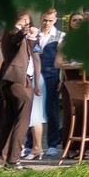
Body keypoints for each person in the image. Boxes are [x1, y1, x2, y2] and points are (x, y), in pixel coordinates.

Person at [0, 11, 38, 167]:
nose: (28, 24)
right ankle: (13, 159)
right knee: (22, 121)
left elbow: (25, 52)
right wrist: (24, 32)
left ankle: (1, 159)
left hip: (11, 80)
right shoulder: (12, 32)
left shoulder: (11, 33)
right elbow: (15, 40)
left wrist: (31, 37)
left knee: (8, 121)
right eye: (26, 21)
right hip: (18, 81)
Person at [33, 9, 64, 155]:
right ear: (40, 18)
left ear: (55, 20)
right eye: (44, 20)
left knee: (51, 109)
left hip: (52, 74)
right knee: (33, 110)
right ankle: (31, 144)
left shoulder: (60, 36)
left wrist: (61, 79)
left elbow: (62, 60)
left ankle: (52, 144)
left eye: (50, 20)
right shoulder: (34, 34)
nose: (47, 23)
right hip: (35, 75)